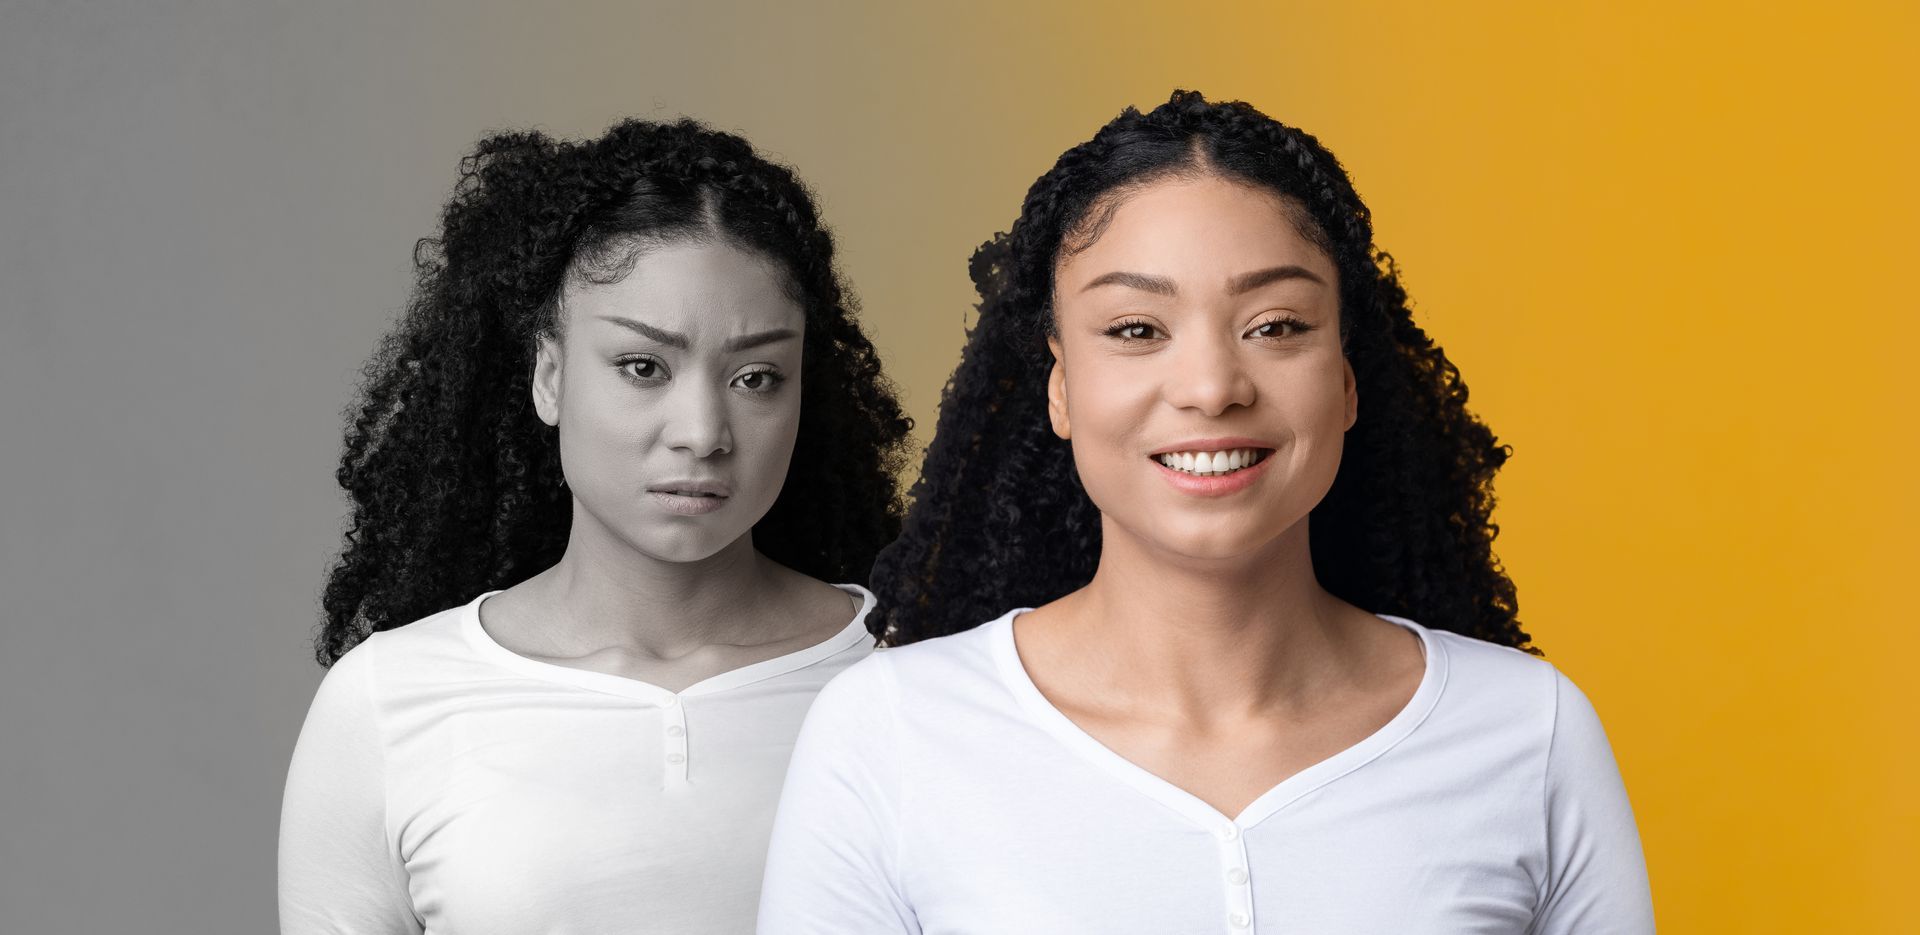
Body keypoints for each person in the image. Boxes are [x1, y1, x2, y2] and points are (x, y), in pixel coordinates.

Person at [758, 90, 1654, 933]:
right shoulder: (888, 732)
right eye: (1137, 329)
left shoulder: (1529, 733)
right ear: (1060, 387)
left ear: (1346, 382)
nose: (1212, 387)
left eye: (1275, 325)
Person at [279, 116, 912, 934]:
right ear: (549, 374)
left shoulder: (907, 669)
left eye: (757, 376)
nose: (703, 431)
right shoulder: (386, 702)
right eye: (643, 366)